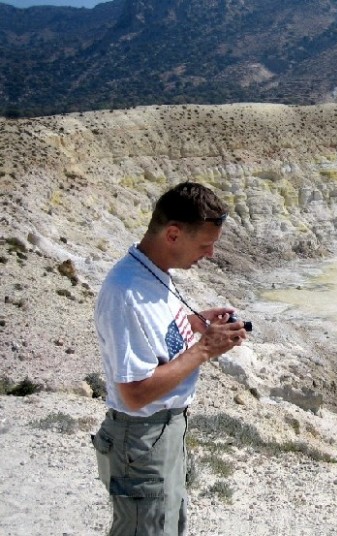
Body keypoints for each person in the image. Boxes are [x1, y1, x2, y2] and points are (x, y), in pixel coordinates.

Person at [91, 181, 249, 535]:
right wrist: (205, 348)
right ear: (174, 235)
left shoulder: (153, 272)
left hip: (162, 433)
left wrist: (196, 323)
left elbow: (157, 337)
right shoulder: (126, 293)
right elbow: (134, 393)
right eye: (205, 245)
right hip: (141, 439)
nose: (209, 254)